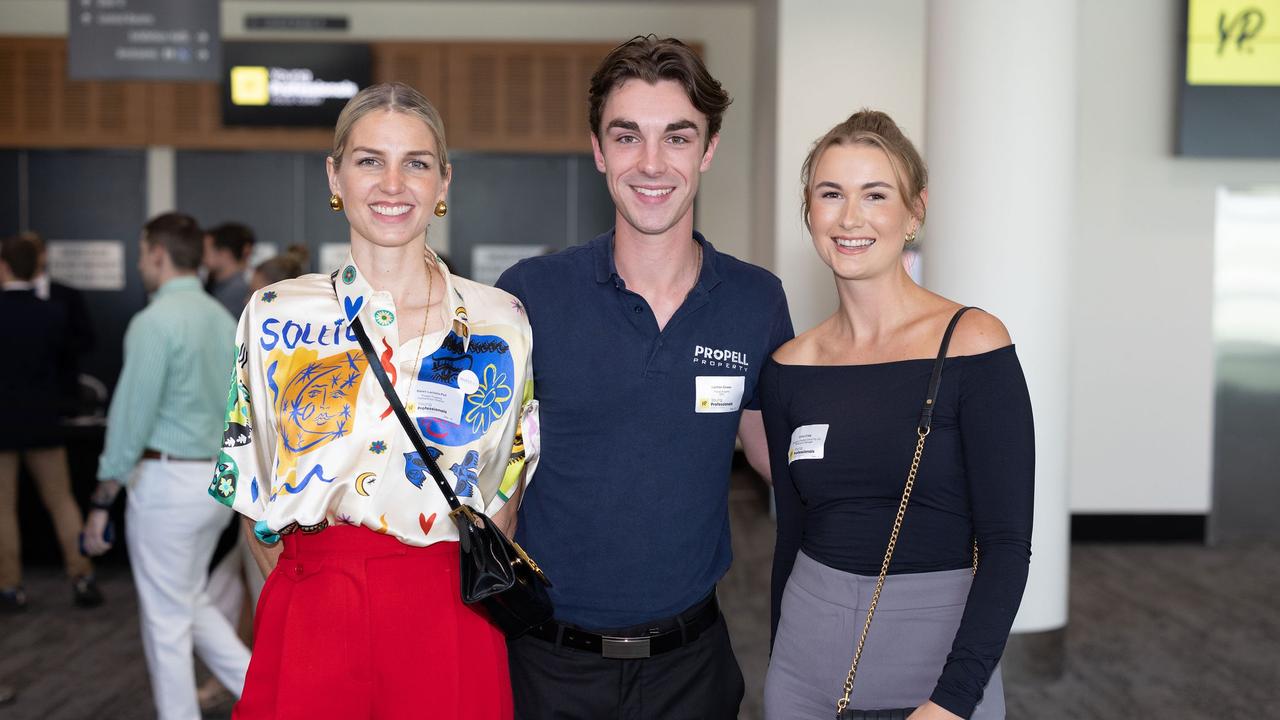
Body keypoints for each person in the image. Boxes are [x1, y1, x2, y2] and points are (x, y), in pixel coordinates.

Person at [212, 82, 537, 719]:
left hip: (449, 610)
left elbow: (506, 493)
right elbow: (251, 490)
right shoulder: (274, 315)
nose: (393, 184)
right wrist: (320, 585)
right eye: (369, 161)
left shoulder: (502, 322)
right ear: (336, 176)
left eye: (416, 163)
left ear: (444, 183)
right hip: (313, 609)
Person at [496, 35, 792, 720]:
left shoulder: (755, 300)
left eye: (677, 137)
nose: (652, 164)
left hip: (692, 669)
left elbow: (775, 452)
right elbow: (478, 467)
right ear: (599, 151)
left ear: (708, 150)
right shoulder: (529, 294)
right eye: (627, 137)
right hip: (545, 668)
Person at [760, 111, 1034, 719]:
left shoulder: (973, 344)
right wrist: (778, 659)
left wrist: (954, 700)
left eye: (875, 195)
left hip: (939, 669)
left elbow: (1007, 545)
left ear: (915, 212)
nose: (850, 217)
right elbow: (791, 537)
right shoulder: (787, 367)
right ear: (810, 212)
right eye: (830, 194)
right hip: (804, 672)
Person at [81, 212, 251, 720]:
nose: (139, 264)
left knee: (166, 623)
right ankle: (269, 694)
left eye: (140, 253)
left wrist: (101, 499)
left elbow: (130, 419)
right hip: (216, 486)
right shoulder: (222, 320)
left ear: (158, 253)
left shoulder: (154, 322)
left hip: (166, 485)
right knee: (187, 603)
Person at [0, 234, 102, 611]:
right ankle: (82, 574)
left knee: (2, 510)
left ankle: (9, 587)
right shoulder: (52, 313)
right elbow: (67, 367)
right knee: (61, 502)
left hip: (3, 425)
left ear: (5, 266)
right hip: (44, 420)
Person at [25, 231, 97, 418]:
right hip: (16, 399)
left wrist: (55, 346)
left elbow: (87, 339)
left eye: (32, 251)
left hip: (60, 394)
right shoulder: (6, 298)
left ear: (44, 255)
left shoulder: (67, 295)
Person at [203, 222, 256, 317]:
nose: (201, 255)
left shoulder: (237, 290)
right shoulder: (214, 283)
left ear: (225, 253)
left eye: (206, 249)